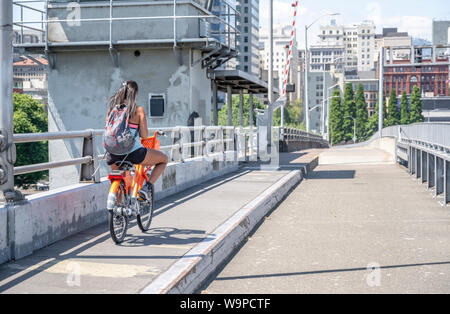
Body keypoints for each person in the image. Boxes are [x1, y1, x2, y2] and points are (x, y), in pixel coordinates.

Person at [105, 80, 168, 190]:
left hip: (112, 154)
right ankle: (146, 188)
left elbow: (109, 131)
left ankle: (117, 204)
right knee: (164, 159)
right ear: (135, 94)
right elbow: (144, 135)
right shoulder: (138, 110)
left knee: (119, 182)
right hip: (134, 153)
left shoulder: (112, 111)